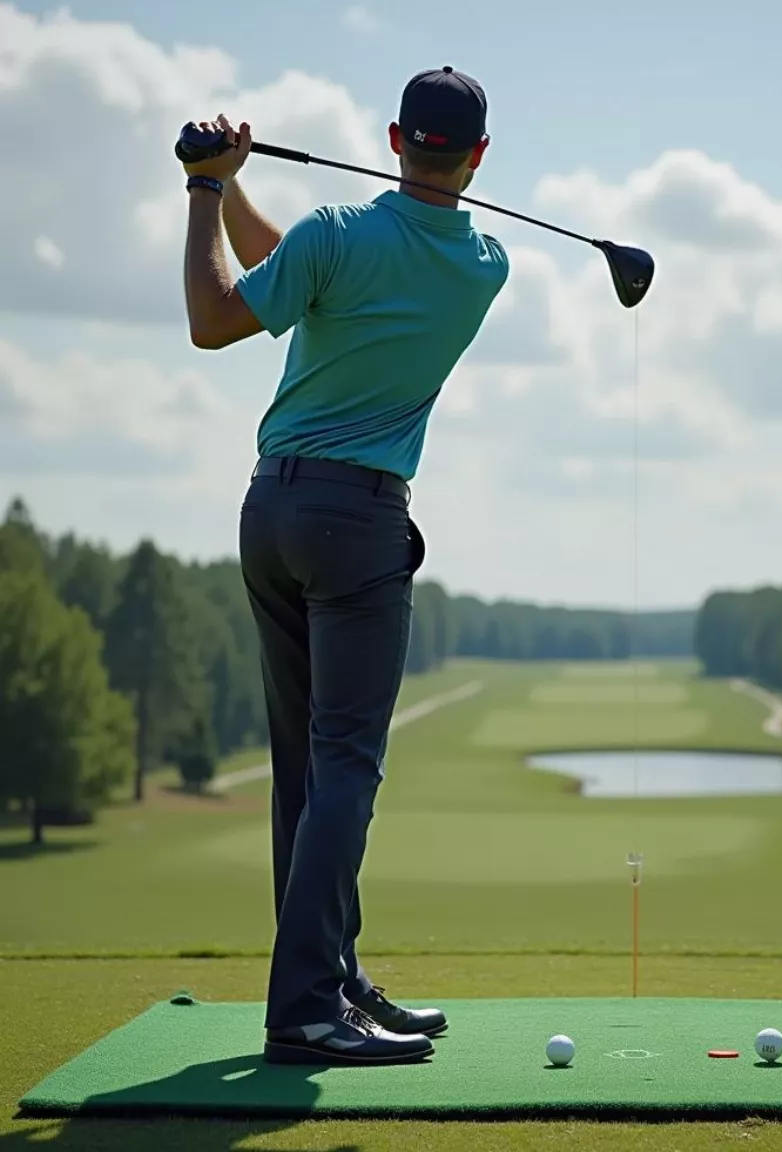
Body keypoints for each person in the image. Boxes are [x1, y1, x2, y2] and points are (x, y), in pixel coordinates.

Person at [179, 67, 509, 1066]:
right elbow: (292, 276)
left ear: (394, 135)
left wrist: (204, 187)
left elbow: (222, 312)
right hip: (358, 524)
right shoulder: (484, 264)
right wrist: (229, 185)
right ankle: (306, 1012)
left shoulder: (330, 236)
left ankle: (329, 979)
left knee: (308, 769)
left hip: (271, 511)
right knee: (344, 766)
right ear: (479, 158)